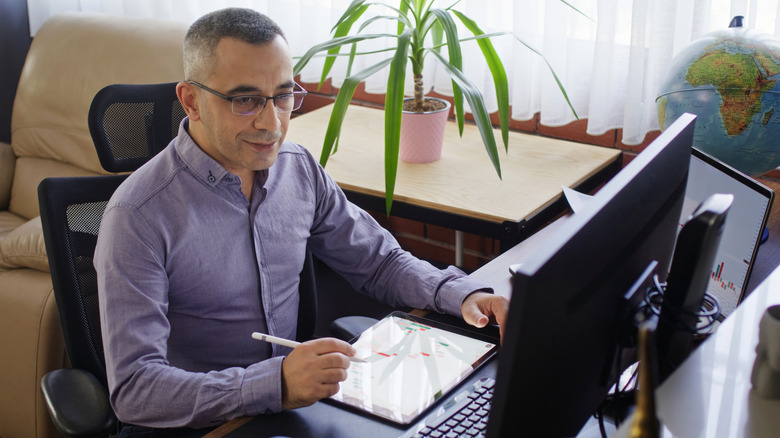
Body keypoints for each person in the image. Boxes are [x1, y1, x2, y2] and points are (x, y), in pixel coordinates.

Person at [94, 7, 508, 434]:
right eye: (245, 100)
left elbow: (379, 262)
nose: (272, 123)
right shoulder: (137, 217)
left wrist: (460, 295)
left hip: (294, 410)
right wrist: (275, 385)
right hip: (204, 427)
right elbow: (135, 390)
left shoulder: (298, 168)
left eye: (283, 96)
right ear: (191, 101)